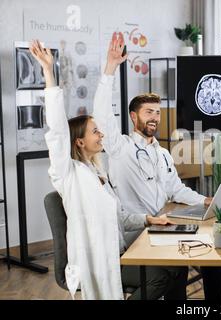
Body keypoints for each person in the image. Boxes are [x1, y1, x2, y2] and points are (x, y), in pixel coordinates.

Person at [32, 39, 186, 300]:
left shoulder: (98, 173)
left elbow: (121, 217)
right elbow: (57, 132)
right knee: (160, 276)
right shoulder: (68, 174)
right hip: (94, 263)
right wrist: (49, 73)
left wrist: (150, 219)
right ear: (79, 141)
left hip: (118, 251)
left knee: (177, 267)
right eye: (95, 131)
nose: (101, 133)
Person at [91, 34, 219, 299]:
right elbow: (102, 115)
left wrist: (205, 199)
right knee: (185, 258)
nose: (155, 117)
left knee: (206, 253)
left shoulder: (162, 154)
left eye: (157, 112)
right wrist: (110, 68)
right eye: (148, 112)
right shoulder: (120, 148)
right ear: (133, 116)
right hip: (137, 232)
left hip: (162, 225)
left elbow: (176, 190)